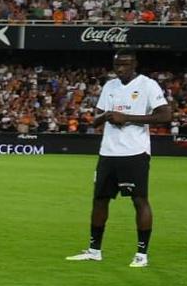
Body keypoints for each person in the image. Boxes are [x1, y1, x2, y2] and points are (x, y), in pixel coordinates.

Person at [67, 51, 169, 268]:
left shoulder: (147, 85)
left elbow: (165, 115)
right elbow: (95, 120)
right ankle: (94, 250)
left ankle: (141, 255)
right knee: (100, 200)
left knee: (139, 200)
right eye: (117, 64)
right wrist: (106, 116)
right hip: (108, 153)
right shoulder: (110, 86)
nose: (120, 68)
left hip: (134, 153)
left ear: (135, 64)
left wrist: (128, 117)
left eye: (125, 64)